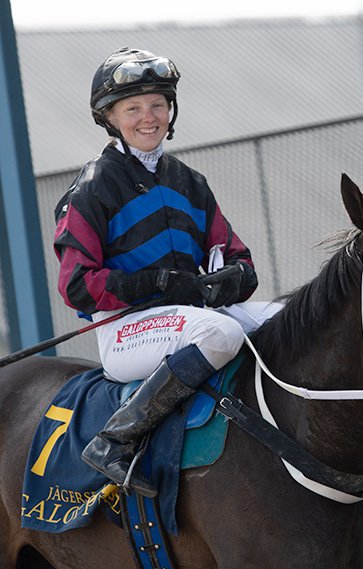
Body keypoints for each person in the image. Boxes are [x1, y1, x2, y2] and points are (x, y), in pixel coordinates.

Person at [53, 47, 278, 498]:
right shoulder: (93, 187)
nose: (148, 117)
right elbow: (75, 285)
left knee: (285, 318)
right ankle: (116, 438)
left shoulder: (189, 182)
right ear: (111, 118)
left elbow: (236, 255)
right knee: (221, 335)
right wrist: (153, 283)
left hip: (188, 319)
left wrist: (232, 279)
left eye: (158, 104)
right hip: (125, 331)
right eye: (133, 108)